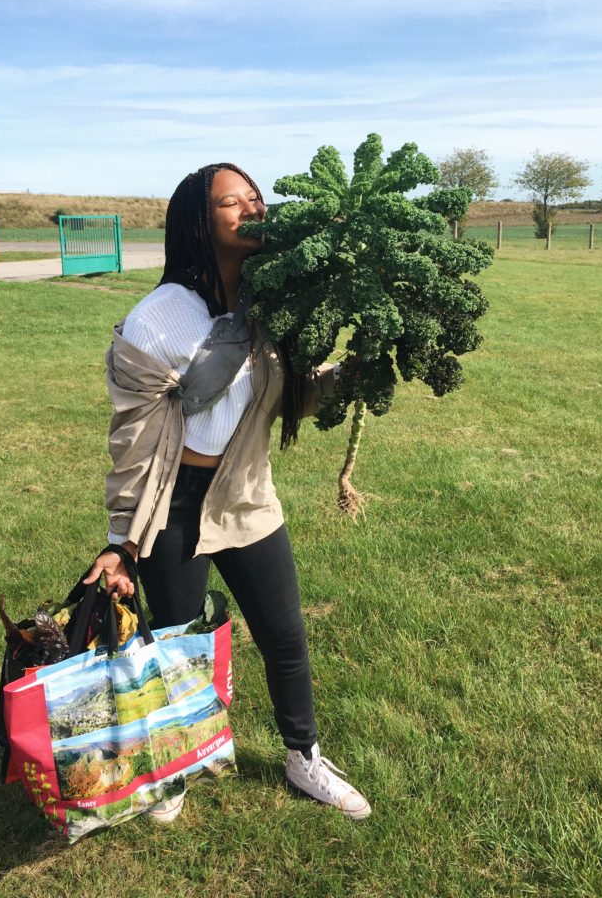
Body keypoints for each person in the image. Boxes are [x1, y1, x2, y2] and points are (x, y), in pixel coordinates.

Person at [84, 163, 371, 822]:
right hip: (175, 504)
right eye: (230, 202)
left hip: (247, 496)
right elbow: (131, 447)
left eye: (255, 197)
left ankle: (305, 757)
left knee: (285, 636)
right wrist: (121, 545)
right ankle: (177, 762)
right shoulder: (158, 321)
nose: (251, 208)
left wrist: (348, 375)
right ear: (197, 222)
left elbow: (288, 391)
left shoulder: (273, 304)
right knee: (181, 645)